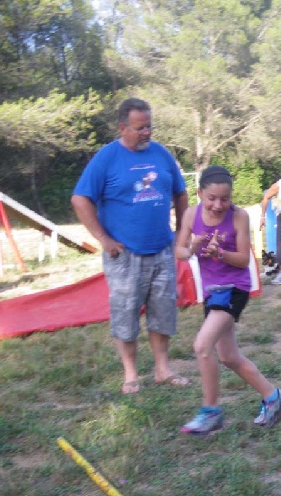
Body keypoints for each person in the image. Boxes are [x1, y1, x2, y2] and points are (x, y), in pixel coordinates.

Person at [71, 98, 190, 395]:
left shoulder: (161, 155)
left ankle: (163, 370)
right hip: (125, 255)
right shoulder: (106, 158)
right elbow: (80, 199)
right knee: (125, 314)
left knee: (163, 313)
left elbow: (181, 193)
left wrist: (180, 232)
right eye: (140, 128)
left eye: (149, 126)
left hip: (162, 250)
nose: (147, 132)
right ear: (122, 127)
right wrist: (104, 239)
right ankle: (131, 374)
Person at [175, 166, 281, 435]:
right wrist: (193, 248)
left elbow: (243, 259)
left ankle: (210, 412)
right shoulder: (191, 214)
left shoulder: (239, 217)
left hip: (234, 288)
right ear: (200, 194)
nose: (218, 205)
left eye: (225, 199)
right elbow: (180, 251)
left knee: (202, 346)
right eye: (212, 198)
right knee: (228, 356)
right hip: (211, 291)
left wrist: (221, 254)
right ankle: (274, 398)